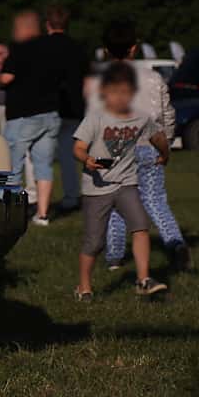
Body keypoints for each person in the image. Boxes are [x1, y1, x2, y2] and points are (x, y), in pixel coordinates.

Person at [72, 61, 169, 299]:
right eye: (115, 91)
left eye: (125, 92)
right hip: (97, 188)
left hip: (127, 183)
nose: (120, 97)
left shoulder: (140, 118)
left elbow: (157, 136)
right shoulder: (95, 118)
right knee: (94, 242)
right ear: (105, 92)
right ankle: (83, 287)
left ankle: (143, 280)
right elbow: (78, 147)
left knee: (141, 226)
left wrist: (164, 154)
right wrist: (87, 159)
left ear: (133, 93)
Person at [101, 20, 192, 273]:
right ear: (134, 48)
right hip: (150, 145)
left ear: (105, 50)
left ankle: (114, 256)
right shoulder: (152, 78)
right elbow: (167, 113)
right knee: (155, 201)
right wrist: (166, 143)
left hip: (115, 149)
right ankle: (175, 244)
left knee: (117, 204)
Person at [0, 9, 62, 226]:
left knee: (13, 166)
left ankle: (12, 215)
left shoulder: (19, 50)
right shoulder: (52, 49)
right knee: (44, 166)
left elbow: (6, 78)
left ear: (23, 28)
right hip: (50, 114)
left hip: (23, 115)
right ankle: (42, 214)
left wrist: (0, 80)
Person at [46, 5, 92, 214]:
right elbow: (87, 82)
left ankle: (39, 198)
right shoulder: (78, 48)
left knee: (41, 157)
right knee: (70, 155)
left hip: (47, 107)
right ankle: (72, 196)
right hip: (74, 107)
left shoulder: (41, 47)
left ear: (48, 24)